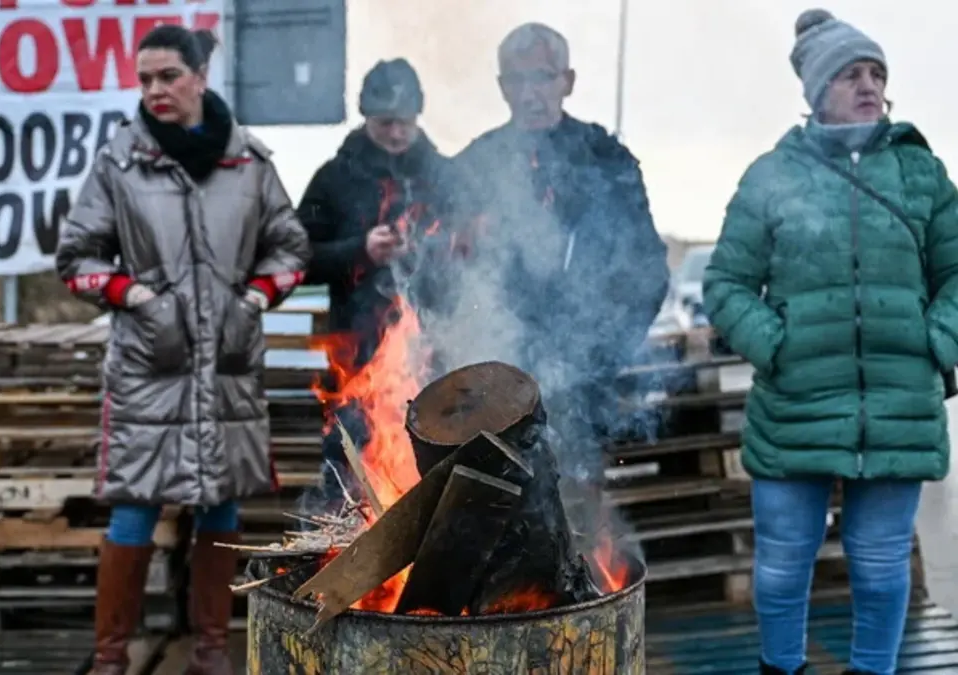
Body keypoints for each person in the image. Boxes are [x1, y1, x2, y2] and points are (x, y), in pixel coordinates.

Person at [703, 9, 958, 675]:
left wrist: (936, 342)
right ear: (817, 91)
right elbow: (727, 282)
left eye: (877, 73)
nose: (870, 84)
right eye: (851, 73)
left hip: (898, 405)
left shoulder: (921, 172)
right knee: (782, 567)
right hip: (796, 403)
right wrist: (776, 346)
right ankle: (781, 669)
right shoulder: (769, 176)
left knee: (878, 568)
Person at [55, 25, 309, 675]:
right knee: (135, 507)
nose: (154, 90)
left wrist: (252, 300)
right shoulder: (120, 162)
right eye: (144, 79)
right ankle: (111, 657)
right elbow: (76, 257)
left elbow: (291, 248)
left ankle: (211, 651)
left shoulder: (249, 162)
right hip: (150, 365)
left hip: (226, 365)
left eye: (168, 76)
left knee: (221, 505)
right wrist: (136, 298)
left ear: (200, 76)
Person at [452, 23, 668, 465]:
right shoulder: (475, 165)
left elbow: (647, 270)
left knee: (574, 505)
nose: (530, 93)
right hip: (497, 379)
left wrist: (604, 354)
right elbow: (441, 269)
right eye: (517, 79)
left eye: (544, 77)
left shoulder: (606, 158)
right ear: (502, 87)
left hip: (583, 378)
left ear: (567, 81)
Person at [297, 58, 464, 498]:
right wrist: (359, 249)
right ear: (365, 116)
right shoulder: (333, 179)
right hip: (355, 365)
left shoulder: (446, 178)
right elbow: (296, 257)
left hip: (432, 362)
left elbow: (475, 253)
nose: (395, 134)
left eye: (404, 123)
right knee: (346, 488)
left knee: (432, 486)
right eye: (385, 122)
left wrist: (430, 249)